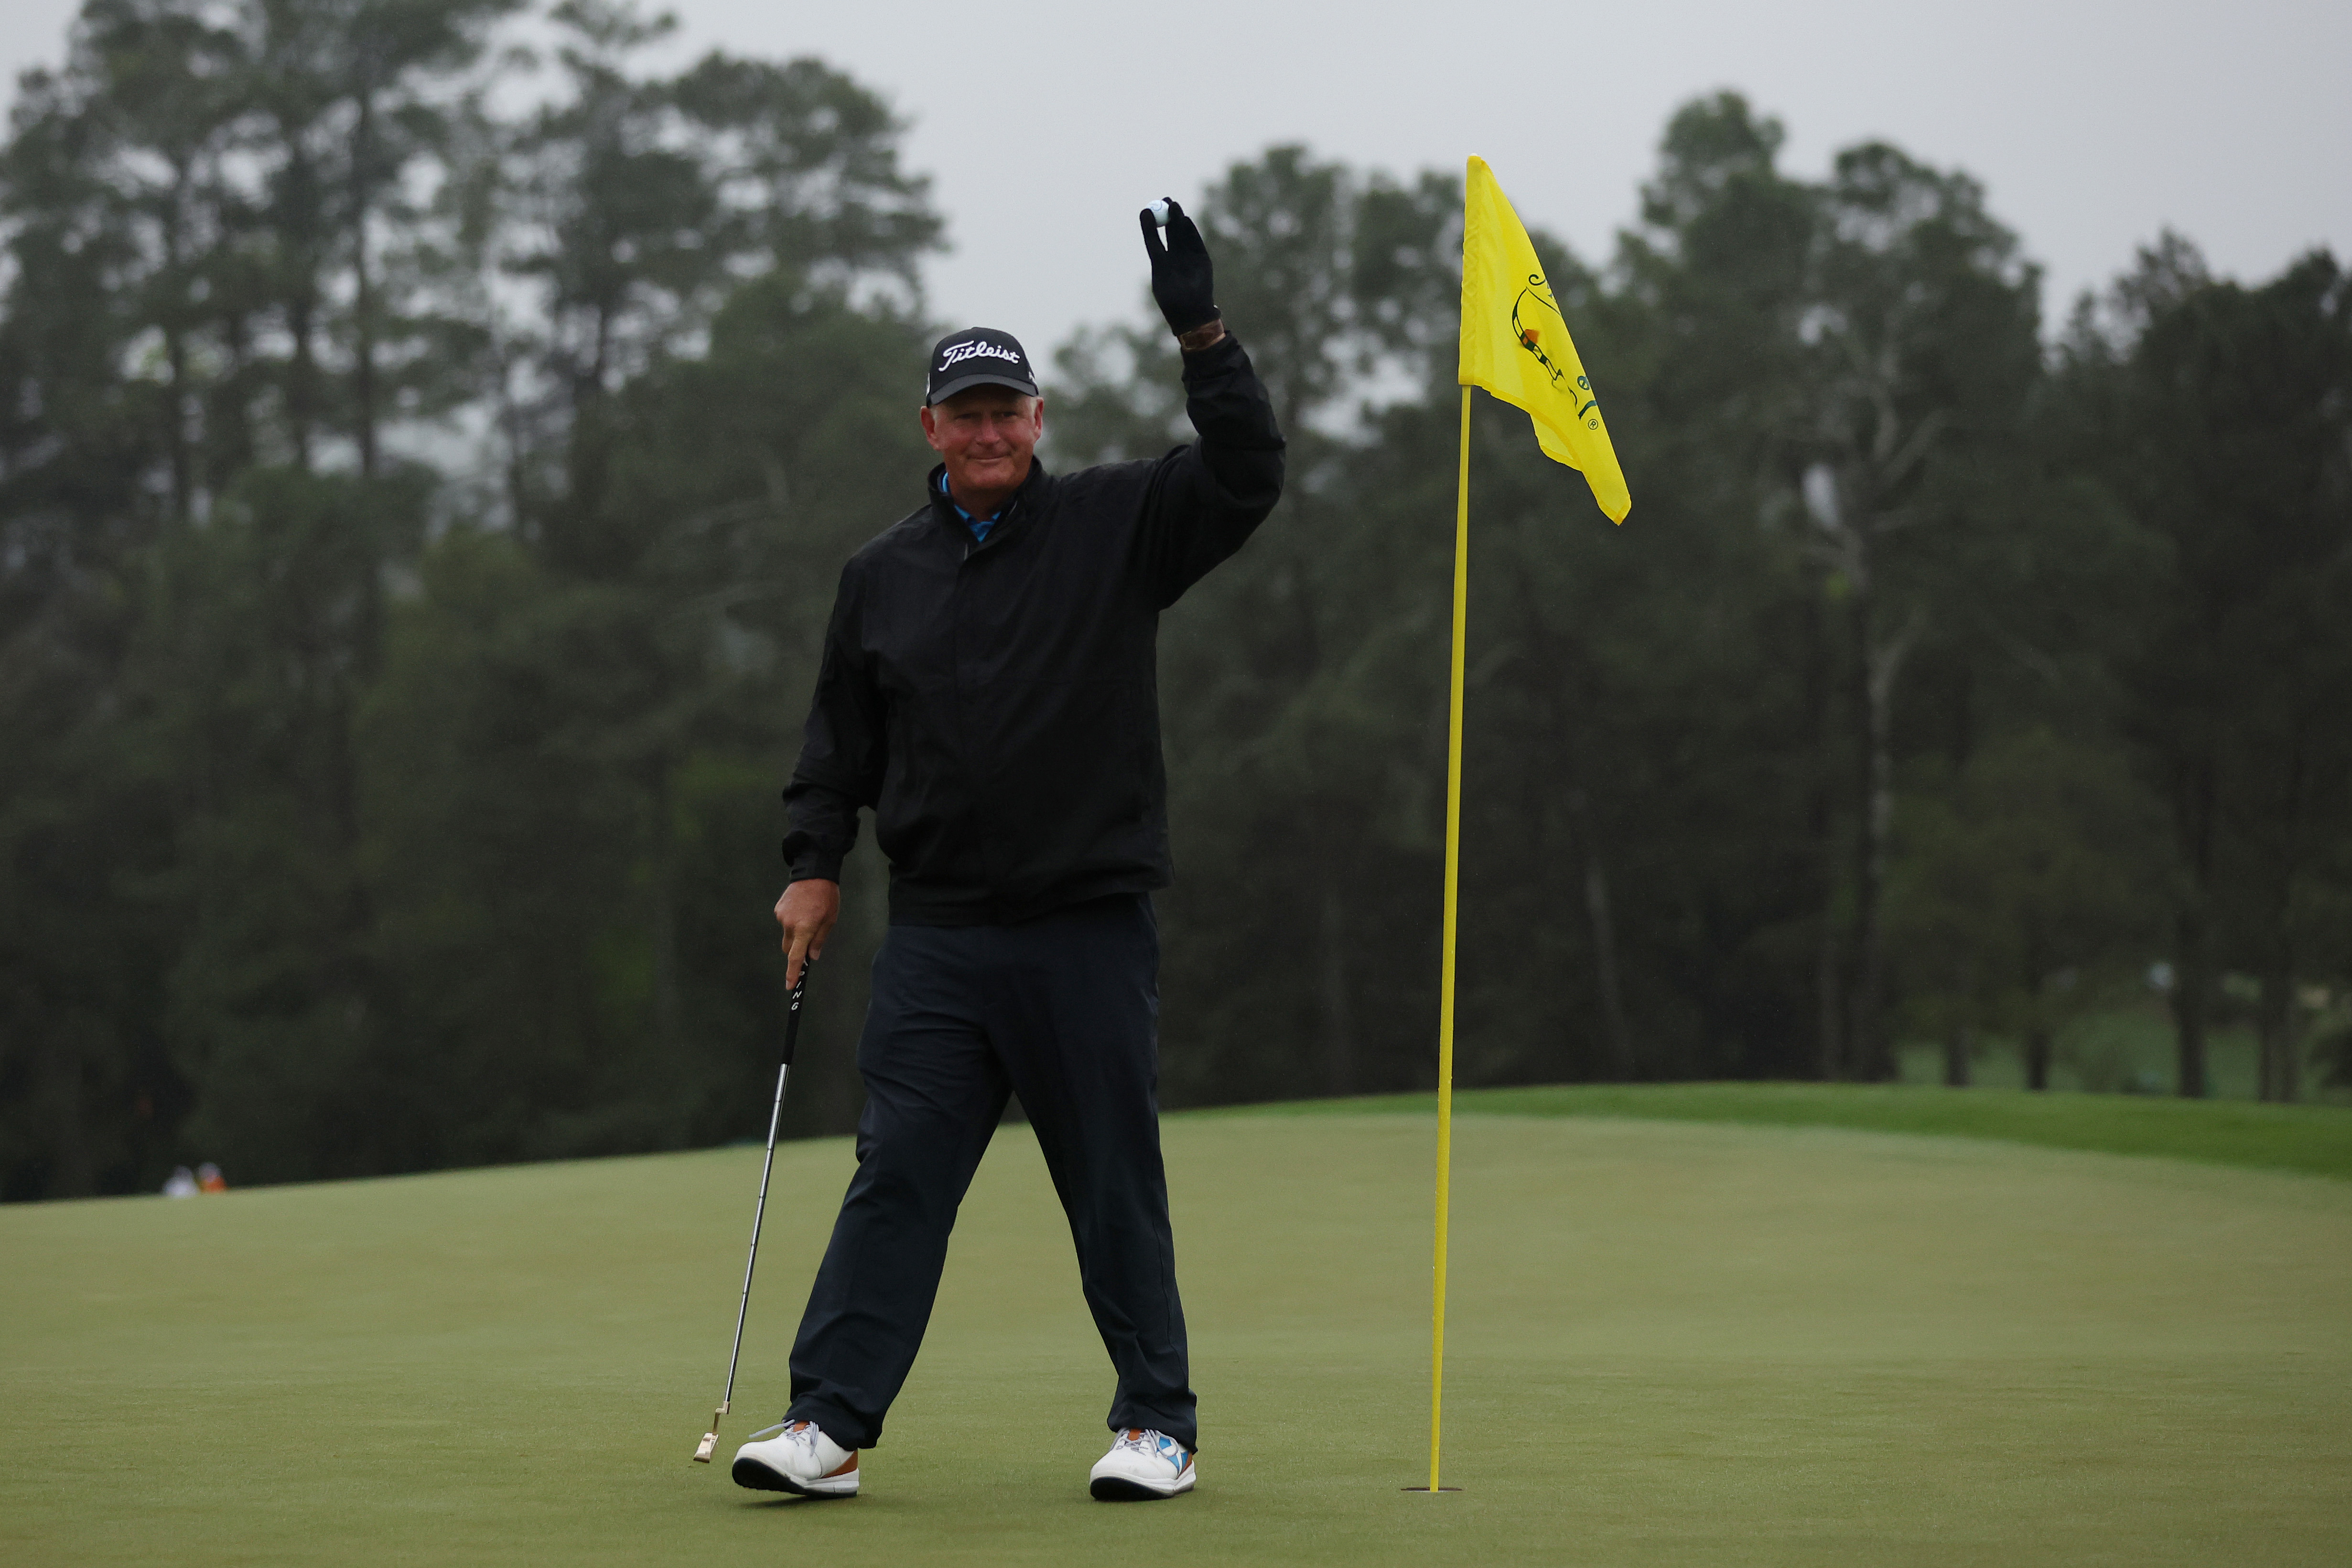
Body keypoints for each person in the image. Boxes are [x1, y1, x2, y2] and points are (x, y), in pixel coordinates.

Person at [731, 201, 1283, 1503]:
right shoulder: (882, 575)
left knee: (1108, 1180)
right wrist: (812, 860)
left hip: (1084, 925)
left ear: (1038, 419)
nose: (985, 430)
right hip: (936, 937)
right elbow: (835, 743)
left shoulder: (1117, 524)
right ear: (930, 430)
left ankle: (1158, 1424)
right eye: (962, 413)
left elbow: (1247, 473)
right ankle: (828, 1423)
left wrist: (1203, 335)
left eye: (1005, 409)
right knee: (897, 1176)